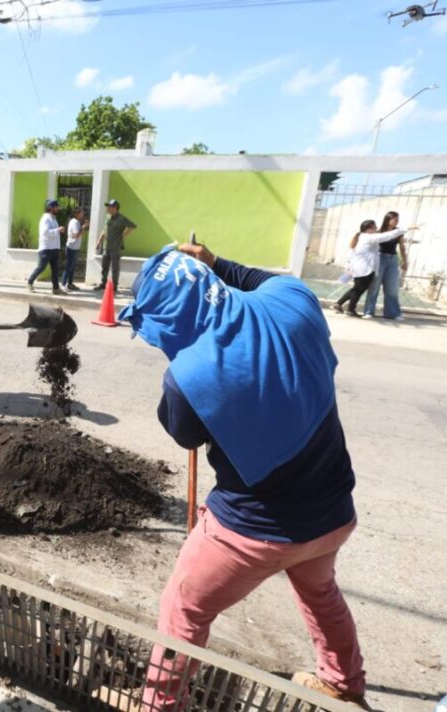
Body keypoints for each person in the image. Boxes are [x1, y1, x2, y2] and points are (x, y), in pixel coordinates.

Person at [118, 242, 369, 710]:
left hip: (253, 530)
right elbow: (257, 280)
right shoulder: (294, 301)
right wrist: (216, 264)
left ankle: (160, 704)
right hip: (332, 513)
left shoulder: (187, 377)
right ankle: (344, 685)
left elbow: (184, 436)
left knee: (184, 608)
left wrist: (183, 365)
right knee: (321, 594)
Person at [334, 220, 414, 318]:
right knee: (358, 290)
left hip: (359, 267)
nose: (376, 229)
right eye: (375, 227)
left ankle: (339, 304)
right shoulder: (368, 237)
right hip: (365, 269)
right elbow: (386, 236)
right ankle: (350, 309)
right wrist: (406, 228)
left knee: (357, 289)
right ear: (369, 228)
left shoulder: (362, 237)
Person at [362, 210, 409, 321]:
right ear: (388, 220)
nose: (397, 221)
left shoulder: (398, 232)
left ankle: (392, 313)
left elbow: (402, 247)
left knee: (392, 288)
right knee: (374, 286)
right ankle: (369, 311)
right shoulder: (379, 231)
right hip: (379, 259)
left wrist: (405, 261)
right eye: (395, 219)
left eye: (398, 219)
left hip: (393, 260)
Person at [94, 199, 136, 292]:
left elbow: (132, 226)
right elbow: (104, 230)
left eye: (110, 207)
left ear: (115, 208)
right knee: (104, 266)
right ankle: (103, 283)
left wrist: (123, 235)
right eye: (108, 206)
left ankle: (114, 286)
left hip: (115, 247)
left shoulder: (122, 219)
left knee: (115, 268)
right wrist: (99, 241)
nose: (108, 208)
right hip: (106, 247)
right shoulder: (108, 217)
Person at [26, 199, 66, 294]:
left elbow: (54, 233)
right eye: (56, 207)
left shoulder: (54, 219)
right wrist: (58, 230)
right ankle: (29, 282)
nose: (58, 208)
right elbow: (45, 232)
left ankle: (56, 288)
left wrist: (58, 231)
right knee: (41, 267)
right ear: (50, 208)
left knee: (55, 270)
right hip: (46, 248)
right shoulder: (45, 219)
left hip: (54, 248)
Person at [61, 207, 88, 291]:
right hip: (71, 248)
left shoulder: (76, 222)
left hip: (75, 247)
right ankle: (63, 284)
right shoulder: (74, 222)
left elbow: (79, 233)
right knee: (69, 266)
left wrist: (84, 227)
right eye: (81, 213)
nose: (83, 214)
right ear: (76, 214)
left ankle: (70, 284)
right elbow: (77, 235)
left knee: (72, 267)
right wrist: (84, 227)